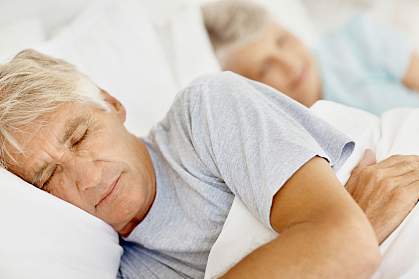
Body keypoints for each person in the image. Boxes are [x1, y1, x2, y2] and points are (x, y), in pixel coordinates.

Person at [3, 49, 419, 279]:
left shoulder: (203, 113)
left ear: (111, 103)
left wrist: (340, 239)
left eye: (79, 136)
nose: (88, 178)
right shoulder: (118, 269)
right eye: (47, 177)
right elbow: (348, 239)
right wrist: (358, 222)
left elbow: (346, 246)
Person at [202, 0, 419, 115]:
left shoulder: (360, 39)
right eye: (265, 69)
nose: (289, 64)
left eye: (282, 40)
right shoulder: (287, 136)